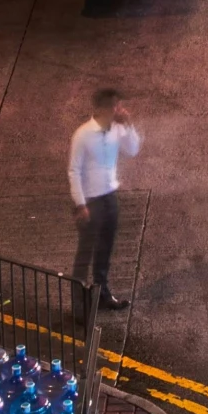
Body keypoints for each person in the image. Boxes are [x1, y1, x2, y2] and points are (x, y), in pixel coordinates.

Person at [67, 87, 141, 310]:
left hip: (109, 198)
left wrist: (128, 125)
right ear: (101, 108)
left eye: (119, 105)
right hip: (89, 202)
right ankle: (78, 305)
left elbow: (134, 149)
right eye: (114, 106)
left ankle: (102, 294)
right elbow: (74, 171)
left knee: (105, 249)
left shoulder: (117, 130)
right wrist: (80, 204)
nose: (118, 110)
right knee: (85, 254)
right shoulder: (83, 134)